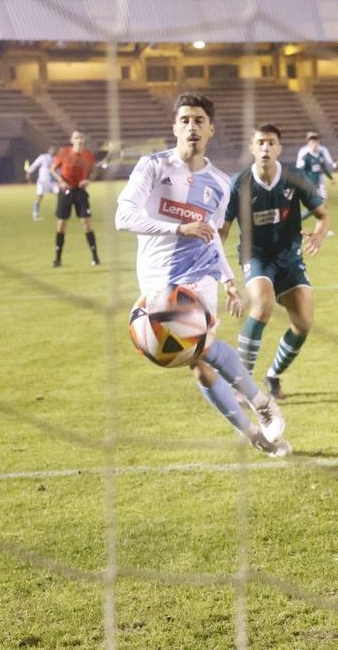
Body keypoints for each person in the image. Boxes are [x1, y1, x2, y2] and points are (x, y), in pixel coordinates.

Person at [115, 93, 290, 456]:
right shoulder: (152, 167)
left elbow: (210, 238)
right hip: (155, 279)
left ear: (210, 129)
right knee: (197, 366)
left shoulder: (220, 183)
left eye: (198, 120)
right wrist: (179, 229)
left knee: (200, 345)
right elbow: (123, 217)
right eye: (184, 120)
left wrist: (227, 280)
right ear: (174, 127)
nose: (191, 127)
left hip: (199, 274)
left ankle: (261, 404)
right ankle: (252, 433)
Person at [220, 123, 331, 401]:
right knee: (262, 304)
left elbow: (322, 214)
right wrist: (223, 275)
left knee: (303, 323)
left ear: (279, 148)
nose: (265, 148)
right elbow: (222, 230)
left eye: (271, 143)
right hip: (256, 255)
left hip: (289, 258)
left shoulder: (295, 178)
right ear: (252, 148)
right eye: (260, 143)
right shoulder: (240, 183)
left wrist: (319, 234)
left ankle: (273, 375)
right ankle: (242, 384)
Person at [51, 130, 100, 267]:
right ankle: (57, 258)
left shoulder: (88, 155)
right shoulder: (64, 152)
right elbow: (53, 169)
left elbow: (94, 170)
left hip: (80, 191)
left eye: (81, 137)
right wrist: (60, 181)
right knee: (62, 224)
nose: (79, 140)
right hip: (66, 190)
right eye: (77, 138)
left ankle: (95, 257)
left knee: (86, 223)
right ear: (72, 140)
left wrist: (88, 180)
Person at [295, 132, 336, 203]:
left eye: (316, 141)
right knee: (314, 203)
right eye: (312, 141)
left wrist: (331, 177)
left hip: (319, 179)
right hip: (309, 180)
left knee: (322, 200)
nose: (315, 143)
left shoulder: (321, 153)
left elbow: (324, 167)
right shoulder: (304, 153)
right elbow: (300, 167)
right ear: (308, 142)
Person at [25, 144, 57, 221]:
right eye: (51, 149)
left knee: (61, 195)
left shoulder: (57, 159)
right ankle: (35, 214)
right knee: (39, 197)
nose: (52, 151)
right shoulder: (43, 157)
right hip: (42, 182)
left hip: (53, 182)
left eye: (54, 149)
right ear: (48, 150)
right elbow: (35, 164)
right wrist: (29, 172)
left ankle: (59, 213)